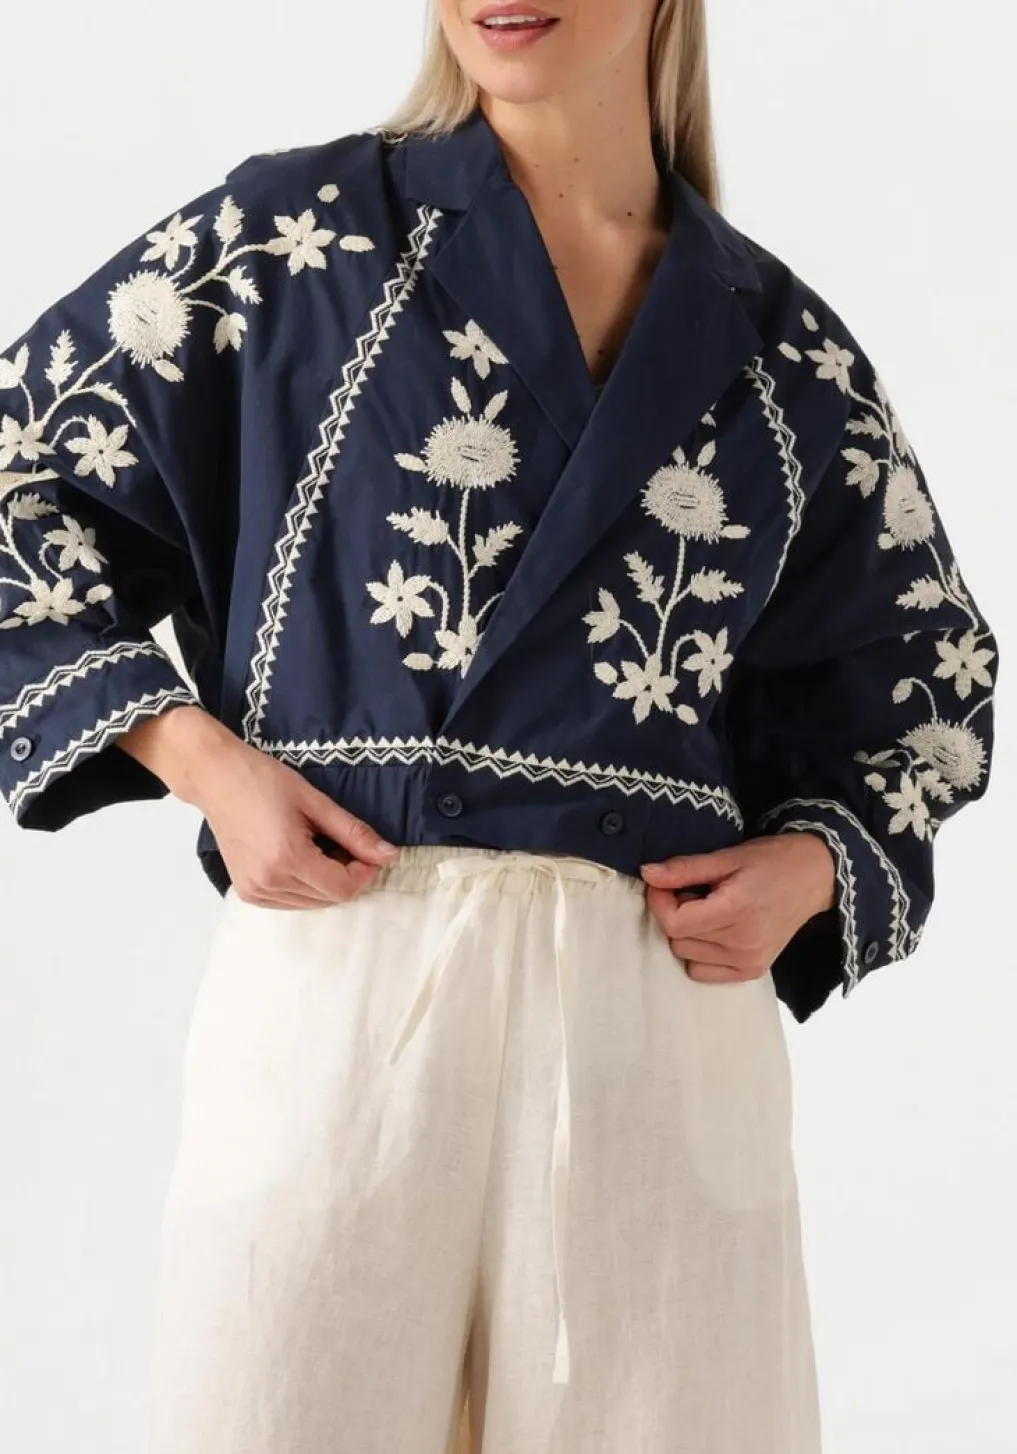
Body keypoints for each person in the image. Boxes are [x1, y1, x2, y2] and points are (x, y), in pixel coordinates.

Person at [0, 1, 998, 1450]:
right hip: (342, 989)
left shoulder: (781, 353)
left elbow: (926, 679)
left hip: (656, 1027)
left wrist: (818, 863)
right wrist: (199, 759)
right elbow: (19, 477)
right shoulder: (296, 244)